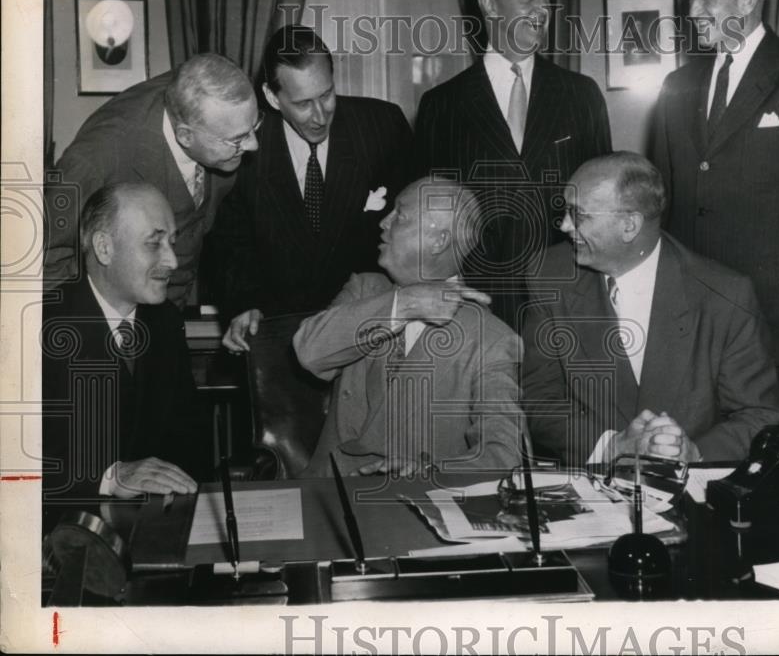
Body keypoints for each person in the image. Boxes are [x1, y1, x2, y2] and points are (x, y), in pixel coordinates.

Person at [650, 0, 779, 427]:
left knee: (767, 474)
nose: (692, 12)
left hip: (772, 328)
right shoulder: (676, 87)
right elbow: (662, 209)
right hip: (690, 323)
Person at [521, 153, 779, 467]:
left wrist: (696, 452)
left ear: (629, 225)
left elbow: (761, 417)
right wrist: (611, 445)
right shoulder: (550, 273)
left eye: (579, 215)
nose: (564, 225)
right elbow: (537, 396)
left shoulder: (725, 295)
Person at [415, 0, 612, 331]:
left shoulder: (582, 95)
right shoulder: (442, 106)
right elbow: (429, 215)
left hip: (567, 299)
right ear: (490, 4)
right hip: (476, 305)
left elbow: (602, 201)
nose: (543, 9)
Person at [293, 178, 523, 477]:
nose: (383, 222)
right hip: (330, 492)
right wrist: (406, 303)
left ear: (438, 240)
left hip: (416, 506)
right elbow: (309, 352)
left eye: (399, 215)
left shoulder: (491, 339)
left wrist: (428, 472)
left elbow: (502, 454)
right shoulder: (364, 290)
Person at [210, 25, 412, 352]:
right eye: (303, 103)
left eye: (327, 95)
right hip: (278, 336)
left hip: (370, 333)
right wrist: (243, 303)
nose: (320, 116)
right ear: (273, 97)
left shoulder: (381, 127)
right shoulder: (245, 149)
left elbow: (412, 228)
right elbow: (232, 244)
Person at [44, 53, 260, 310]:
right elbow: (44, 261)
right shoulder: (99, 156)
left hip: (169, 311)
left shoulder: (215, 108)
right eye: (237, 140)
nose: (253, 146)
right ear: (185, 136)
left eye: (254, 129)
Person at [42, 183, 211, 500]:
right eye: (154, 244)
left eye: (172, 243)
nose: (173, 261)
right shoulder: (37, 330)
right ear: (104, 248)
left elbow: (189, 440)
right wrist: (108, 479)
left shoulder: (165, 323)